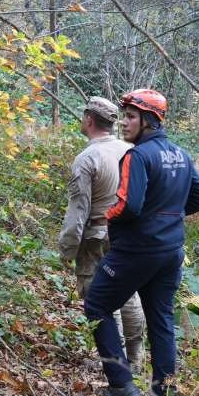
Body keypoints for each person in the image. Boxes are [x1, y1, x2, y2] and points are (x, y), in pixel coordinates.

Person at [83, 88, 199, 396]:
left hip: (136, 250)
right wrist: (168, 215)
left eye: (131, 117)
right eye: (124, 116)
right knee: (161, 319)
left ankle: (122, 384)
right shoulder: (181, 154)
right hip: (170, 251)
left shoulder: (137, 156)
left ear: (149, 121)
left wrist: (106, 216)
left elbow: (128, 206)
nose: (124, 123)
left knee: (97, 304)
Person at [56, 97, 146, 372]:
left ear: (89, 120)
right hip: (129, 235)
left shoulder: (87, 158)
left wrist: (68, 248)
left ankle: (114, 361)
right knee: (128, 293)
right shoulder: (131, 151)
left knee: (99, 298)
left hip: (96, 236)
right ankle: (136, 359)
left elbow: (78, 210)